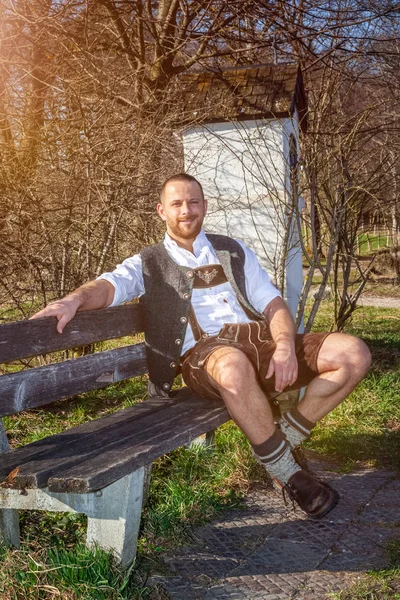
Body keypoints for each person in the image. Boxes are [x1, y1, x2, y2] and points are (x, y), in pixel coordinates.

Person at [31, 173, 371, 519]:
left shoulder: (232, 251)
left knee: (352, 354)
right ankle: (287, 473)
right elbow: (107, 287)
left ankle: (280, 443)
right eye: (177, 203)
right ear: (161, 210)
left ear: (205, 207)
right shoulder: (148, 263)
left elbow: (273, 305)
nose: (186, 210)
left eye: (193, 202)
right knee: (232, 365)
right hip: (205, 357)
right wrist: (72, 301)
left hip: (258, 342)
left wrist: (284, 346)